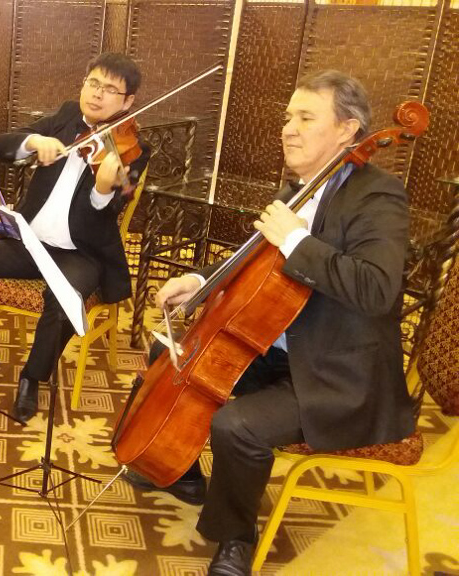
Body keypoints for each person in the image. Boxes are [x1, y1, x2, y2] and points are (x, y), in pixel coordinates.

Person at [126, 70, 414, 575]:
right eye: (287, 117)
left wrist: (298, 241)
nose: (288, 128)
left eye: (305, 118)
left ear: (348, 130)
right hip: (271, 347)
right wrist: (199, 281)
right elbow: (254, 263)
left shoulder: (378, 195)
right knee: (169, 353)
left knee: (237, 425)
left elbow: (377, 288)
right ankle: (180, 471)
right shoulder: (298, 190)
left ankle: (235, 536)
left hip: (334, 372)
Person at [0, 53, 150, 423]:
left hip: (81, 253)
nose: (97, 94)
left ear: (128, 101)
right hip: (30, 243)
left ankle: (32, 379)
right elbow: (4, 146)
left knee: (62, 299)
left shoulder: (132, 147)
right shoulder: (66, 117)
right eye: (93, 83)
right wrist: (34, 140)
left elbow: (111, 209)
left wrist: (102, 190)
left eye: (110, 89)